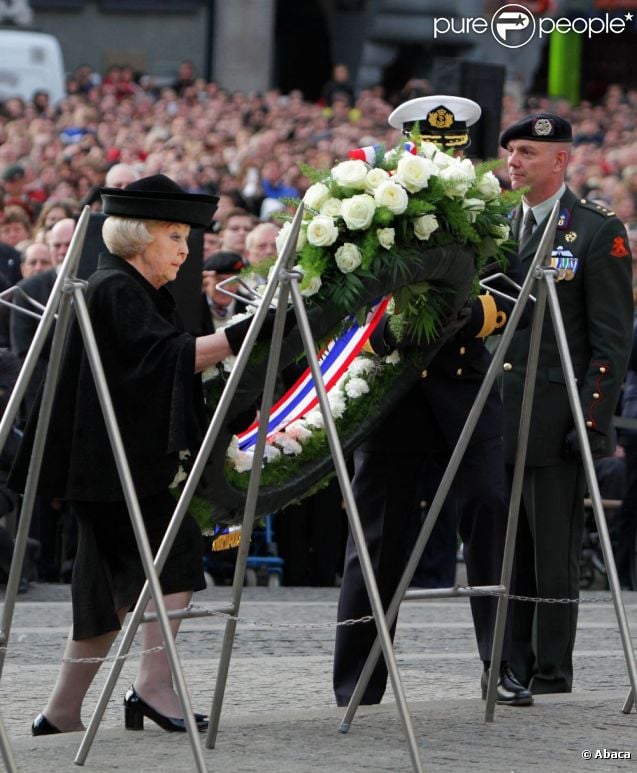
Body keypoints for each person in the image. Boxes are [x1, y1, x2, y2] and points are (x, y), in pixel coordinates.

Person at [9, 174, 267, 735]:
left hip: (112, 465)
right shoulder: (115, 288)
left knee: (100, 588)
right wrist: (251, 333)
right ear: (138, 236)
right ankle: (152, 686)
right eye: (174, 236)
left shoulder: (135, 289)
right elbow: (163, 360)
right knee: (172, 560)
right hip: (112, 468)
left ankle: (60, 711)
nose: (185, 248)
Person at [333, 95, 533, 709]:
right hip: (393, 381)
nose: (440, 155)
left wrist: (474, 313)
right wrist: (385, 324)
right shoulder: (366, 200)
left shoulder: (490, 209)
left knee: (489, 508)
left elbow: (512, 288)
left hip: (463, 377)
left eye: (451, 147)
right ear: (404, 146)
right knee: (379, 526)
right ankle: (360, 676)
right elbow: (342, 282)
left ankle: (504, 666)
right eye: (427, 145)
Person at [500, 113, 633, 694]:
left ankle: (551, 668)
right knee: (504, 549)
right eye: (510, 152)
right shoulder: (502, 226)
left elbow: (611, 341)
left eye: (527, 152)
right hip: (500, 411)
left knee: (552, 550)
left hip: (557, 414)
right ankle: (508, 663)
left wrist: (590, 419)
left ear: (560, 160)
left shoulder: (597, 230)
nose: (513, 162)